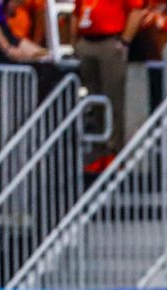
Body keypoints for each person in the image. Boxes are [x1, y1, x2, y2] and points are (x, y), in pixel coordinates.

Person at [72, 0, 144, 172]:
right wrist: (74, 43)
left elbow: (136, 11)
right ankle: (99, 151)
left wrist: (125, 40)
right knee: (94, 100)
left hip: (111, 40)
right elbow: (76, 13)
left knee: (113, 99)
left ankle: (114, 152)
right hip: (87, 40)